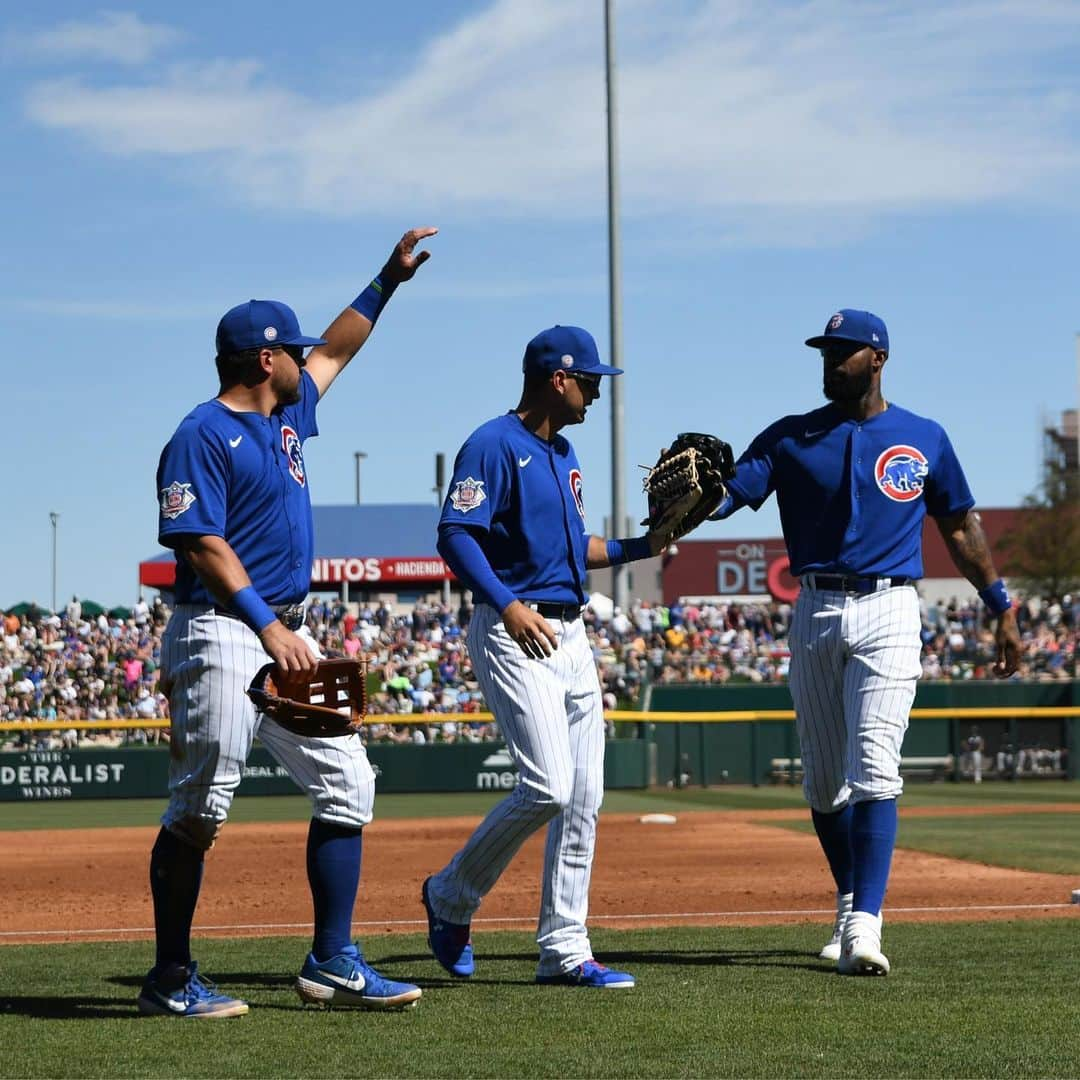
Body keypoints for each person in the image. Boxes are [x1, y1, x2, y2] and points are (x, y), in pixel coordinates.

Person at [139, 227, 437, 1018]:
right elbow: (202, 543)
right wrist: (267, 625)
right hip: (225, 631)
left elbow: (339, 350)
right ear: (265, 361)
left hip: (283, 631)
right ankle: (169, 979)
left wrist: (388, 279)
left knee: (348, 783)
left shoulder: (288, 419)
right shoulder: (202, 433)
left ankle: (332, 961)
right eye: (294, 352)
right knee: (201, 808)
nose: (311, 361)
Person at [710, 308, 1020, 975]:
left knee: (875, 767)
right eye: (825, 351)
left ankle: (864, 926)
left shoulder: (923, 436)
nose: (831, 361)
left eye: (844, 352)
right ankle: (850, 896)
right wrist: (699, 496)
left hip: (890, 607)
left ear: (878, 359)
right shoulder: (791, 438)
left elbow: (961, 528)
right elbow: (727, 497)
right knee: (824, 784)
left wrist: (1001, 604)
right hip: (815, 606)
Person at [421, 325, 665, 988]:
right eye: (589, 380)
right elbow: (455, 534)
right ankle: (449, 897)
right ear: (557, 378)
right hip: (516, 629)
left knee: (585, 795)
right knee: (549, 786)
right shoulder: (493, 444)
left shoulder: (565, 453)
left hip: (571, 633)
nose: (594, 392)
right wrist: (506, 603)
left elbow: (579, 549)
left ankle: (564, 948)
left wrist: (648, 543)